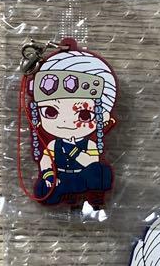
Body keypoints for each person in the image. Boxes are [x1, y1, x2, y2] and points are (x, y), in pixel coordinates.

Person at [26, 45, 117, 207]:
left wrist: (72, 151)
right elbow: (45, 161)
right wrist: (48, 175)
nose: (66, 122)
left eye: (84, 115)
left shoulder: (89, 144)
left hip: (81, 178)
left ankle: (89, 198)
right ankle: (65, 195)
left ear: (102, 116)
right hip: (61, 179)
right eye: (51, 112)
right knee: (43, 190)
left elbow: (90, 162)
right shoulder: (54, 145)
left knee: (99, 171)